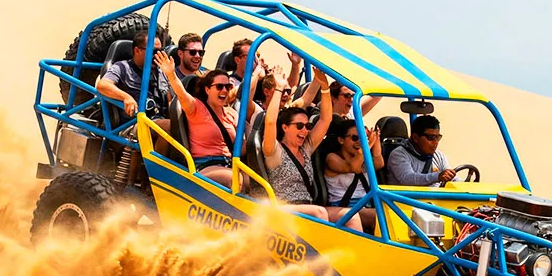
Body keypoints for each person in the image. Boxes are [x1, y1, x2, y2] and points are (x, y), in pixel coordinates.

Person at [262, 67, 363, 231]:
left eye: (307, 126)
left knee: (350, 215)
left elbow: (325, 119)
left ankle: (357, 255)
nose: (305, 130)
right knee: (319, 213)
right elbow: (271, 121)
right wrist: (279, 88)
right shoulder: (274, 150)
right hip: (282, 208)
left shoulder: (305, 149)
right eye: (299, 126)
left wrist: (325, 88)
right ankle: (319, 256)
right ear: (285, 127)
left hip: (308, 208)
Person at [155, 53, 245, 187]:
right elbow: (181, 93)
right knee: (235, 180)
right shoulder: (196, 107)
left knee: (252, 182)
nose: (225, 90)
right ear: (208, 89)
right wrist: (171, 75)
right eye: (219, 87)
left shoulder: (232, 113)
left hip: (228, 164)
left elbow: (241, 148)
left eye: (228, 87)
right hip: (204, 165)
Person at [95, 30, 171, 185]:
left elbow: (169, 101)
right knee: (169, 127)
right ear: (137, 50)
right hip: (130, 125)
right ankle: (153, 182)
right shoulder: (122, 67)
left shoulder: (161, 73)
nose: (158, 55)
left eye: (161, 51)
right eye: (154, 51)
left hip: (156, 122)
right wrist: (125, 97)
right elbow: (102, 85)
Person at [324, 119, 383, 232]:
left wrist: (376, 140)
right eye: (355, 138)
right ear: (341, 140)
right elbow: (353, 168)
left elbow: (379, 164)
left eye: (363, 138)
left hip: (366, 205)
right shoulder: (332, 158)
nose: (359, 142)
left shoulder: (363, 158)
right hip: (343, 206)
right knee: (382, 217)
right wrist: (367, 145)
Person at [386, 115, 459, 187]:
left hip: (434, 197)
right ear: (416, 138)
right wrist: (437, 176)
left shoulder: (438, 156)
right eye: (431, 138)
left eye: (437, 137)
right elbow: (407, 178)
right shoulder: (399, 154)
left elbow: (453, 178)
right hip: (405, 198)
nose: (435, 142)